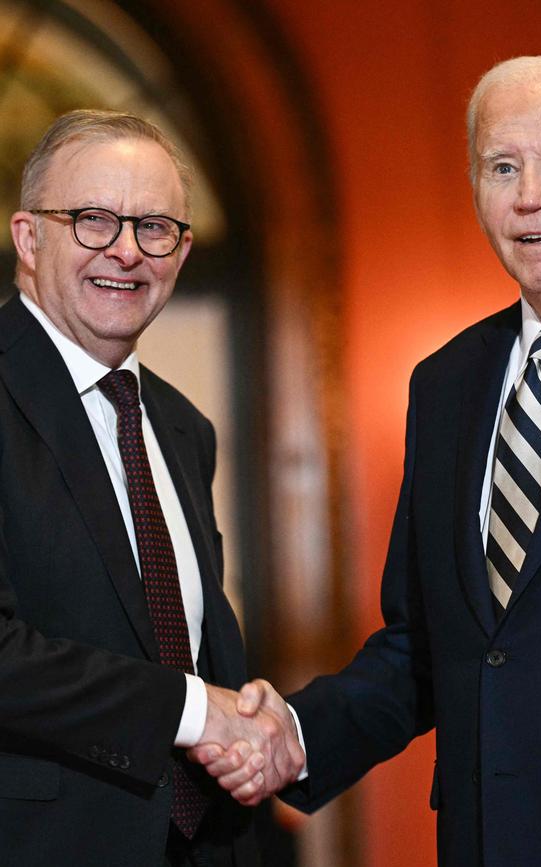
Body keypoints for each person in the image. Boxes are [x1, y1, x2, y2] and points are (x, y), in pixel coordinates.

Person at [192, 56, 541, 866]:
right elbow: (423, 649)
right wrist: (292, 735)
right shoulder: (446, 383)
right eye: (501, 167)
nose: (529, 195)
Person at [0, 109, 303, 867]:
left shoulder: (180, 426)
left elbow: (191, 642)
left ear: (184, 248)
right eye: (94, 220)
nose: (127, 251)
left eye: (155, 227)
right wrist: (199, 712)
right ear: (29, 237)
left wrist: (257, 725)